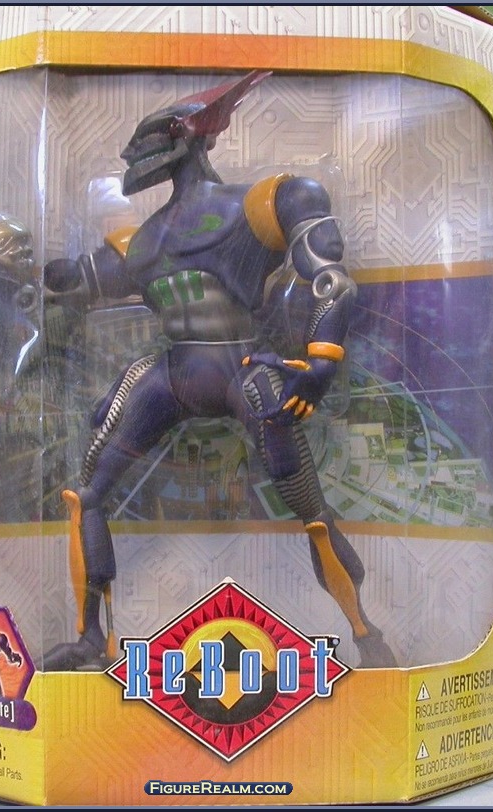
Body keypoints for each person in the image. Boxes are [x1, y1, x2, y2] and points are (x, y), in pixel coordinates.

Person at [43, 71, 396, 671]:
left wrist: (319, 363)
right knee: (88, 493)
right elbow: (76, 280)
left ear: (188, 136)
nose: (137, 154)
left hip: (242, 371)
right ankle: (88, 639)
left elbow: (331, 282)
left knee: (310, 509)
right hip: (174, 373)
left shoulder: (259, 205)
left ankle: (366, 635)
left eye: (155, 137)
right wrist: (36, 275)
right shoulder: (143, 240)